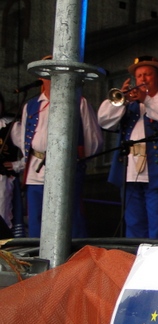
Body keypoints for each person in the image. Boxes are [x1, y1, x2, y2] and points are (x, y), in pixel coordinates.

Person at [8, 58, 103, 238]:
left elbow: (93, 139)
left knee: (69, 219)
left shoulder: (79, 102)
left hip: (66, 169)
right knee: (36, 220)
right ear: (41, 77)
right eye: (48, 74)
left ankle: (72, 255)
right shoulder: (31, 105)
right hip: (36, 172)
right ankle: (38, 254)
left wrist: (75, 159)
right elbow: (24, 140)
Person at [98, 55, 158, 241]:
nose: (142, 79)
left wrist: (147, 99)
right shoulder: (129, 104)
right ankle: (134, 257)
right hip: (129, 172)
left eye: (147, 74)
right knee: (134, 225)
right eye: (139, 76)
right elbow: (104, 122)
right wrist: (121, 101)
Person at [0, 91, 23, 238]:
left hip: (2, 179)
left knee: (2, 214)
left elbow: (29, 150)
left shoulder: (11, 125)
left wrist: (17, 165)